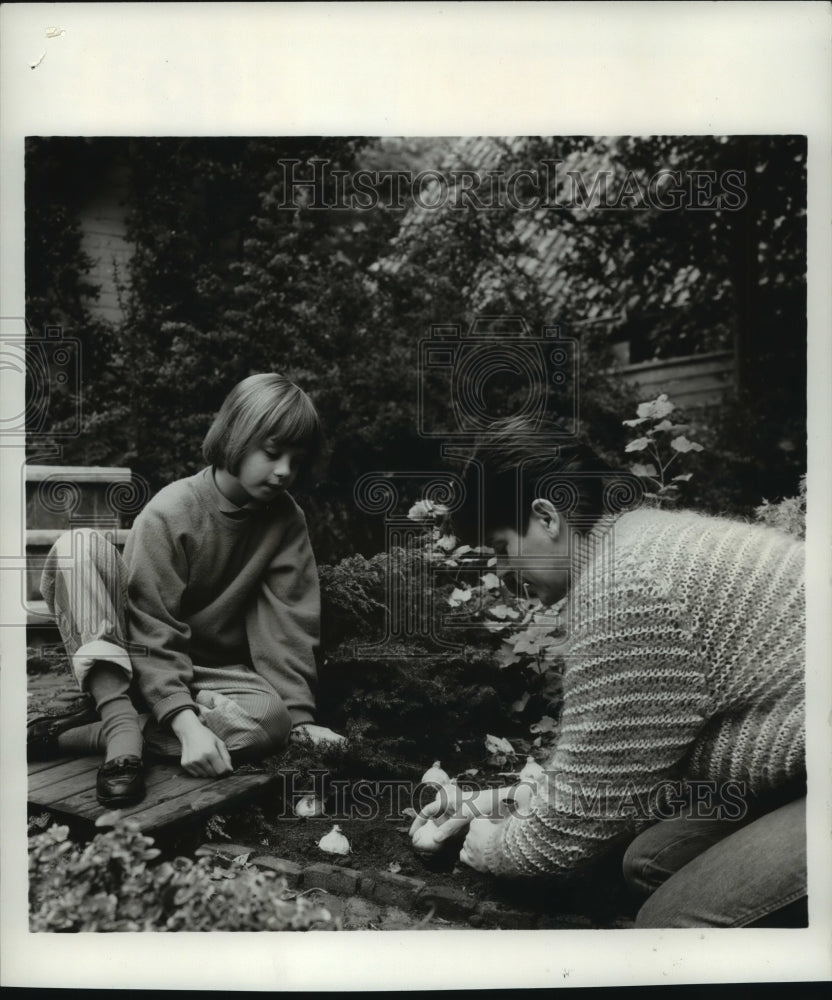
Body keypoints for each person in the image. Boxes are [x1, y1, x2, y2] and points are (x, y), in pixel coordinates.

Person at [410, 418, 806, 928]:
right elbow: (626, 779)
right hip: (802, 772)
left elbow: (564, 834)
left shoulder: (625, 587)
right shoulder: (635, 542)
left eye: (504, 547)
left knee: (673, 921)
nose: (504, 572)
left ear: (546, 517)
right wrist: (503, 798)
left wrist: (494, 847)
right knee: (652, 861)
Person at [28, 373, 344, 808]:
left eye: (296, 458)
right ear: (236, 436)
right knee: (77, 547)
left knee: (272, 722)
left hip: (206, 674)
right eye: (272, 453)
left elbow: (287, 621)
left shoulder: (286, 520)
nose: (284, 471)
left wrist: (300, 720)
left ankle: (92, 732)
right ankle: (120, 729)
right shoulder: (171, 510)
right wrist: (187, 723)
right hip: (133, 658)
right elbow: (150, 625)